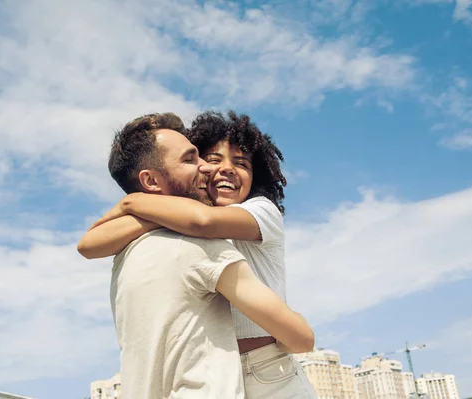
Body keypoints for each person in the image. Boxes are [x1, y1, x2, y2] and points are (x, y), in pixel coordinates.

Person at [79, 111, 318, 399]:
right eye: (211, 160)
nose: (225, 168)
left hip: (268, 369)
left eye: (242, 164)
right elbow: (89, 244)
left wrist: (134, 201)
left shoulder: (260, 212)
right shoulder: (180, 228)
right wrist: (155, 208)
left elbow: (202, 221)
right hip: (214, 372)